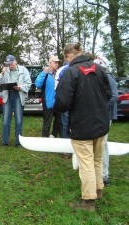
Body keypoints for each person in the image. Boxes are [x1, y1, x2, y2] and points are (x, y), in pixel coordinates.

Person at [55, 43, 112, 211]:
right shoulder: (100, 69)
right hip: (101, 123)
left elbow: (62, 103)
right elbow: (108, 94)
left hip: (82, 125)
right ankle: (99, 189)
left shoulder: (71, 72)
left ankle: (88, 201)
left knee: (85, 162)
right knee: (97, 158)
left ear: (68, 56)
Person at [94, 56, 118, 186]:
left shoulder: (108, 77)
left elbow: (114, 96)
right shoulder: (102, 77)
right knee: (101, 145)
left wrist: (100, 106)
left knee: (102, 146)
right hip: (101, 115)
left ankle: (104, 175)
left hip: (105, 116)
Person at [0, 55, 31, 146]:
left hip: (18, 95)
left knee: (18, 119)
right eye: (8, 64)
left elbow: (28, 83)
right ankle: (5, 142)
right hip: (7, 95)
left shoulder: (23, 70)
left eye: (11, 63)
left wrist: (20, 87)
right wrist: (2, 73)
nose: (10, 65)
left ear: (15, 61)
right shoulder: (6, 70)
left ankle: (18, 142)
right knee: (5, 120)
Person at [35, 55, 61, 137]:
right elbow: (38, 84)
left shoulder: (57, 74)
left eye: (58, 62)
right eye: (55, 62)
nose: (57, 64)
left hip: (57, 102)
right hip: (48, 102)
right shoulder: (45, 73)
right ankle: (45, 139)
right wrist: (44, 73)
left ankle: (53, 136)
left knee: (58, 121)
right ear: (50, 63)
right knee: (47, 123)